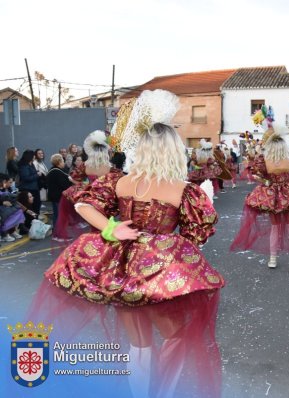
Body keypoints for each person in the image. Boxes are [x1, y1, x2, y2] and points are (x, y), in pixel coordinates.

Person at [28, 90, 224, 398]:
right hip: (160, 272)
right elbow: (195, 237)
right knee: (177, 336)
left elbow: (83, 206)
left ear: (143, 148)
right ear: (173, 150)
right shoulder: (183, 190)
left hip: (120, 269)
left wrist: (111, 229)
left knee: (139, 343)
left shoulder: (120, 181)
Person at [230, 127, 289, 268]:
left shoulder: (265, 161)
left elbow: (258, 176)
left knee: (276, 228)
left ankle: (273, 259)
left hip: (272, 195)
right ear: (283, 147)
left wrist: (267, 182)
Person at [53, 130, 114, 241]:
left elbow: (72, 178)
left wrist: (86, 186)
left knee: (94, 224)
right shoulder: (110, 168)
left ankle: (96, 244)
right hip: (107, 200)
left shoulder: (85, 165)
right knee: (105, 224)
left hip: (91, 198)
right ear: (105, 153)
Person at [46, 154, 73, 228]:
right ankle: (58, 233)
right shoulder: (57, 172)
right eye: (63, 161)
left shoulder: (52, 170)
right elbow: (64, 185)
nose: (64, 163)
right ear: (59, 162)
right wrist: (70, 181)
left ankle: (57, 231)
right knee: (59, 215)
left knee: (57, 214)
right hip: (57, 197)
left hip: (54, 196)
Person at [0, 173, 25, 241]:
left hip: (6, 206)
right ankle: (4, 234)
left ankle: (11, 231)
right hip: (2, 207)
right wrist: (2, 202)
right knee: (6, 213)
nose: (11, 184)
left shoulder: (8, 189)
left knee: (17, 211)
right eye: (9, 182)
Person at [17, 149, 42, 215]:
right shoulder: (24, 166)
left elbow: (31, 174)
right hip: (27, 189)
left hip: (34, 188)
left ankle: (35, 219)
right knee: (31, 206)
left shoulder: (31, 164)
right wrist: (37, 175)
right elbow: (26, 177)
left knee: (37, 205)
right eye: (33, 155)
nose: (34, 156)